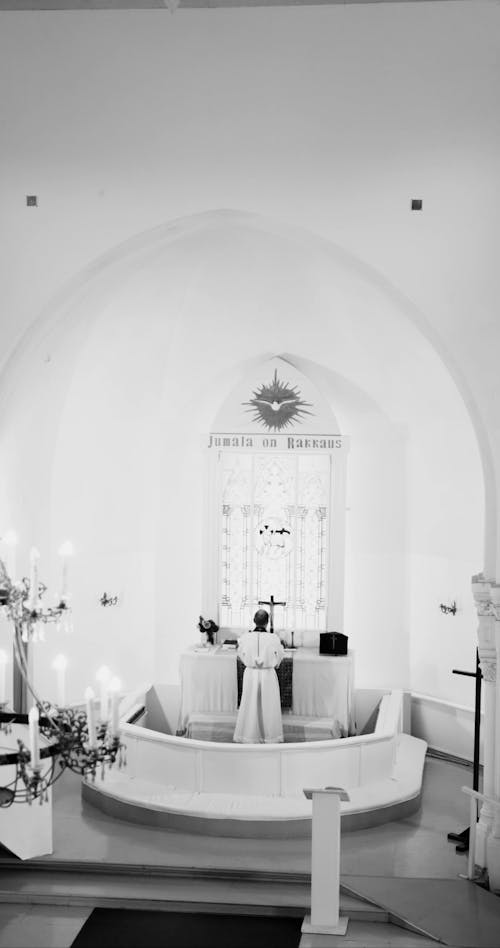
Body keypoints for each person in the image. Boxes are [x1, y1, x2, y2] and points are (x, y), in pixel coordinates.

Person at [233, 609, 284, 744]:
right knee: (269, 705)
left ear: (254, 621)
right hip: (268, 675)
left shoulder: (245, 637)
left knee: (250, 705)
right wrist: (274, 663)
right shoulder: (273, 638)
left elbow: (240, 654)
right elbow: (279, 656)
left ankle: (248, 736)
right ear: (267, 622)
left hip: (251, 673)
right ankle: (271, 737)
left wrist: (249, 661)